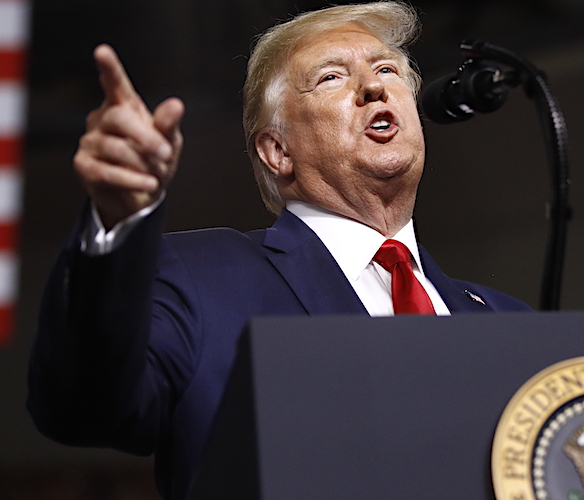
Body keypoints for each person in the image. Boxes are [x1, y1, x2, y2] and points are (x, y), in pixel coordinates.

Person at [27, 2, 531, 499]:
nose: (374, 86)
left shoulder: (511, 323)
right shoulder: (199, 278)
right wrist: (116, 226)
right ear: (277, 151)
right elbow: (83, 407)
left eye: (387, 69)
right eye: (332, 78)